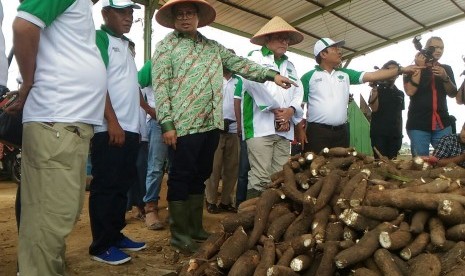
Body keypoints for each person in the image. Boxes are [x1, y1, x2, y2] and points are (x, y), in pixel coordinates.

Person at [152, 0, 296, 253]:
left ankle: (195, 229)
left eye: (190, 13)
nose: (185, 18)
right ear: (174, 19)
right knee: (180, 177)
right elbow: (161, 88)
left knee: (200, 176)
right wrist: (167, 124)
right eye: (180, 14)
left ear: (198, 17)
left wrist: (271, 75)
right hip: (183, 125)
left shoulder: (212, 47)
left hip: (210, 124)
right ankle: (179, 233)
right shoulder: (166, 47)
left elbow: (241, 64)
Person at [11, 0, 107, 274]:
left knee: (56, 214)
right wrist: (28, 82)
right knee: (48, 219)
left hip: (65, 123)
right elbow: (23, 25)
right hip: (57, 120)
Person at [88, 0, 150, 265]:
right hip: (109, 128)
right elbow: (97, 81)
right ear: (105, 13)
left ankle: (115, 235)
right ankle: (101, 245)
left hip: (131, 127)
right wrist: (112, 121)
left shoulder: (127, 45)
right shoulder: (100, 38)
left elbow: (131, 87)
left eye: (130, 13)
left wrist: (146, 114)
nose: (127, 18)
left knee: (122, 185)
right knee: (106, 185)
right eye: (121, 12)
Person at [301, 38, 419, 154]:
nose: (339, 51)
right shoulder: (309, 77)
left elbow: (373, 76)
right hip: (317, 132)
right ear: (323, 54)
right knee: (313, 167)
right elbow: (299, 105)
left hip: (342, 131)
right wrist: (299, 130)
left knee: (339, 168)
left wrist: (402, 69)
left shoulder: (345, 74)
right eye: (334, 48)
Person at [240, 16, 305, 199]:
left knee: (280, 176)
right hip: (260, 126)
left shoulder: (289, 64)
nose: (284, 42)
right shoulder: (255, 57)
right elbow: (252, 84)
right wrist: (276, 109)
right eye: (279, 37)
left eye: (287, 39)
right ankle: (251, 218)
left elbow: (298, 90)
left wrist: (291, 110)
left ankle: (269, 217)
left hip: (284, 128)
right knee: (260, 176)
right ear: (267, 39)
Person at [404, 36, 457, 156]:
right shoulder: (411, 68)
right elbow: (410, 91)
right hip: (418, 123)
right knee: (420, 162)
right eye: (435, 47)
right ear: (426, 49)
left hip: (442, 122)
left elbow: (453, 94)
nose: (439, 50)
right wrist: (420, 67)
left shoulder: (446, 69)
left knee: (447, 160)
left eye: (442, 48)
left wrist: (445, 78)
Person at [205, 64, 240, 214]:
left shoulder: (240, 81)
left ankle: (226, 201)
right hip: (215, 129)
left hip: (234, 129)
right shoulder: (213, 79)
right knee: (214, 167)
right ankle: (211, 200)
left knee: (232, 168)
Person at [138, 60, 167, 230]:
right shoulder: (152, 64)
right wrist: (149, 109)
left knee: (178, 168)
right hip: (158, 122)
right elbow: (135, 86)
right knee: (155, 167)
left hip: (181, 122)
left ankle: (177, 210)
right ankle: (150, 209)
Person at [368, 60, 405, 159]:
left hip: (395, 135)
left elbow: (400, 116)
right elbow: (374, 109)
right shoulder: (377, 90)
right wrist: (375, 89)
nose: (392, 72)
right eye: (388, 69)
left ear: (398, 74)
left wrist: (400, 135)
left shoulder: (400, 93)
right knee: (379, 162)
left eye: (394, 69)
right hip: (379, 134)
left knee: (393, 163)